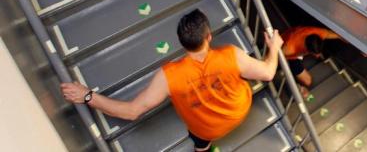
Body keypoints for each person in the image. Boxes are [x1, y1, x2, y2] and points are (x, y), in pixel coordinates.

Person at [61, 10, 283, 152]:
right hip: (238, 111)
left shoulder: (168, 76)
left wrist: (87, 96)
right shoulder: (231, 55)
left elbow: (131, 112)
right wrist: (273, 49)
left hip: (206, 130)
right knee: (242, 70)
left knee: (200, 142)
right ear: (208, 37)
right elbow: (268, 73)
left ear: (182, 43)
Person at [281, 26, 342, 95]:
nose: (317, 56)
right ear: (307, 49)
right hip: (290, 55)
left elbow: (330, 34)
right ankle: (296, 85)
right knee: (308, 81)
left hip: (296, 42)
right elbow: (278, 56)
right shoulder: (289, 48)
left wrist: (343, 38)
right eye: (315, 53)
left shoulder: (319, 32)